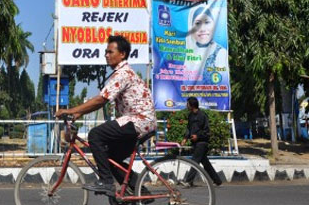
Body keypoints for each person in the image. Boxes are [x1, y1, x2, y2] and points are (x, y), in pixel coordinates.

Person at [55, 35, 157, 195]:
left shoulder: (123, 74)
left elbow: (101, 100)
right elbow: (100, 100)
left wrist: (71, 110)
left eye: (110, 52)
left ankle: (106, 182)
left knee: (95, 135)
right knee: (109, 159)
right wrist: (79, 113)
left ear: (122, 54)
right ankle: (141, 192)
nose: (106, 55)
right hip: (138, 122)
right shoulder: (123, 73)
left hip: (138, 121)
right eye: (106, 52)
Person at [181, 97, 222, 187]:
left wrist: (198, 136)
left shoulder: (202, 115)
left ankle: (188, 181)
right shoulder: (190, 115)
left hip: (202, 142)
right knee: (205, 163)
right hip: (195, 142)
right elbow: (189, 128)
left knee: (195, 161)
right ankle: (217, 180)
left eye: (187, 104)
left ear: (192, 105)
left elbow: (207, 131)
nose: (186, 105)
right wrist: (185, 138)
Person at [185, 6, 228, 86]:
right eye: (197, 23)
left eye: (207, 22)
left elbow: (223, 85)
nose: (202, 29)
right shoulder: (188, 52)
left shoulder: (220, 53)